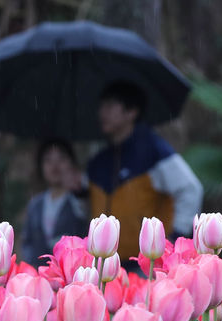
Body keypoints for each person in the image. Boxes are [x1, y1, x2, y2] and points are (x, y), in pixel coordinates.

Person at [87, 80, 203, 264]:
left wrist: (176, 236)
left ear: (131, 112)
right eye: (101, 106)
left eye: (110, 106)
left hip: (144, 263)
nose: (102, 113)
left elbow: (190, 189)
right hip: (106, 262)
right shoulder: (99, 160)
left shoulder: (153, 150)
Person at [21, 138, 88, 268]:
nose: (55, 165)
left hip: (72, 272)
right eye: (48, 160)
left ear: (72, 163)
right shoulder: (35, 204)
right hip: (39, 273)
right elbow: (27, 241)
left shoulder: (80, 198)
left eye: (61, 159)